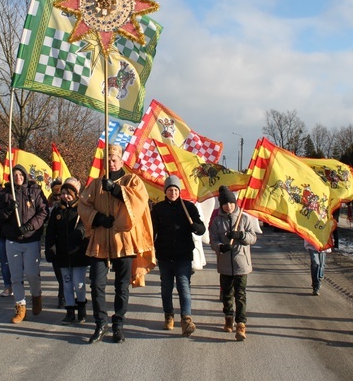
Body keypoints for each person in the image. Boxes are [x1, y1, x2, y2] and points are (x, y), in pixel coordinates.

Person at [78, 144, 155, 344]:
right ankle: (100, 323)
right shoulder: (96, 184)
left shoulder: (132, 180)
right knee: (96, 284)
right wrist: (97, 218)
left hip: (124, 239)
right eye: (108, 160)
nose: (111, 163)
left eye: (114, 160)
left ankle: (118, 325)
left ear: (121, 161)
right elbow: (83, 205)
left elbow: (140, 201)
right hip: (101, 239)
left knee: (122, 287)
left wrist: (117, 190)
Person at [150, 175, 206, 337]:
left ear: (179, 191)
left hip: (183, 255)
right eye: (170, 190)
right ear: (165, 191)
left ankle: (186, 319)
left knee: (183, 286)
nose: (173, 192)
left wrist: (196, 227)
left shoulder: (188, 207)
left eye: (175, 190)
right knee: (166, 288)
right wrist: (150, 248)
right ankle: (169, 316)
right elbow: (152, 230)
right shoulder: (158, 208)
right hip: (165, 255)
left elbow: (201, 228)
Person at [0, 164, 49, 323]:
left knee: (32, 273)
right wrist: (8, 209)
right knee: (16, 276)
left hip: (31, 239)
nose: (18, 177)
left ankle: (36, 296)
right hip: (12, 240)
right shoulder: (5, 194)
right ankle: (20, 306)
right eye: (15, 174)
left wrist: (29, 227)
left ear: (25, 176)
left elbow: (44, 212)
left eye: (20, 174)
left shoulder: (35, 191)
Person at [209, 185, 258, 341]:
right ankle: (228, 317)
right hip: (224, 263)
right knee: (227, 294)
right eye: (225, 203)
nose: (228, 206)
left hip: (241, 263)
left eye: (231, 203)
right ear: (221, 205)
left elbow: (253, 238)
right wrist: (221, 247)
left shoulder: (243, 218)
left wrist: (241, 235)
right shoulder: (217, 221)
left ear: (235, 203)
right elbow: (213, 240)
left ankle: (241, 324)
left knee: (240, 295)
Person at [45, 177, 89, 325]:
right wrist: (50, 248)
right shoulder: (57, 210)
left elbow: (86, 226)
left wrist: (79, 233)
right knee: (67, 283)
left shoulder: (82, 208)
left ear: (76, 194)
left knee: (79, 283)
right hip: (62, 254)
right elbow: (50, 231)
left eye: (69, 193)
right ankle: (70, 310)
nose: (65, 196)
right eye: (63, 193)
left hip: (78, 253)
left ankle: (81, 308)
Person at [46, 178, 67, 309]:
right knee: (59, 273)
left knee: (66, 275)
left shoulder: (74, 205)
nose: (58, 197)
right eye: (56, 194)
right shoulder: (48, 203)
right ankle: (63, 295)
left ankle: (64, 297)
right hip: (54, 242)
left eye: (61, 194)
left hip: (68, 244)